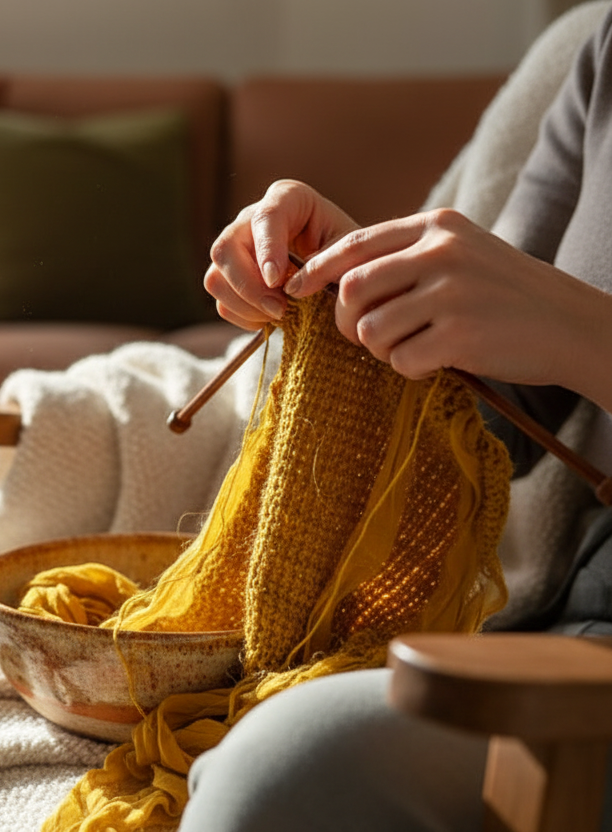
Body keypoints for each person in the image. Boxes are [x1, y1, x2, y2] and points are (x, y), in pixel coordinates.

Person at [180, 6, 612, 831]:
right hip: (576, 631)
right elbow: (503, 415)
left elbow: (559, 327)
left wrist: (588, 334)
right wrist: (361, 301)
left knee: (285, 769)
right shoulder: (608, 51)